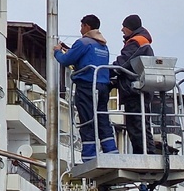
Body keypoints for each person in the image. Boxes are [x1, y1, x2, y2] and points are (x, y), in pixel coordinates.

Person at [54, 14, 117, 159]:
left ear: (87, 26)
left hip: (86, 86)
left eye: (81, 26)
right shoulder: (103, 46)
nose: (80, 29)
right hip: (102, 86)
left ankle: (90, 156)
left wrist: (57, 51)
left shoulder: (83, 43)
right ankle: (111, 151)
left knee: (87, 119)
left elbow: (66, 60)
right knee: (102, 119)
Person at [112, 14, 155, 153]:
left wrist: (105, 73)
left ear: (130, 27)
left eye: (124, 26)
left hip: (135, 91)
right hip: (139, 89)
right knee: (141, 125)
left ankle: (145, 155)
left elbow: (123, 63)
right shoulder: (141, 41)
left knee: (137, 126)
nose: (122, 30)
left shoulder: (136, 42)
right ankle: (147, 153)